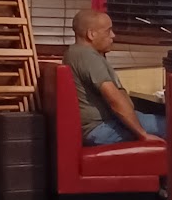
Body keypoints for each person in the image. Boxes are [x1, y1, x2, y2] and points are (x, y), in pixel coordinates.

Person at [66, 10, 166, 145]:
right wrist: (143, 134)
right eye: (108, 31)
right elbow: (114, 99)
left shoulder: (73, 53)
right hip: (100, 129)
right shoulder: (88, 57)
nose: (113, 35)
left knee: (160, 119)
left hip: (97, 126)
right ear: (91, 34)